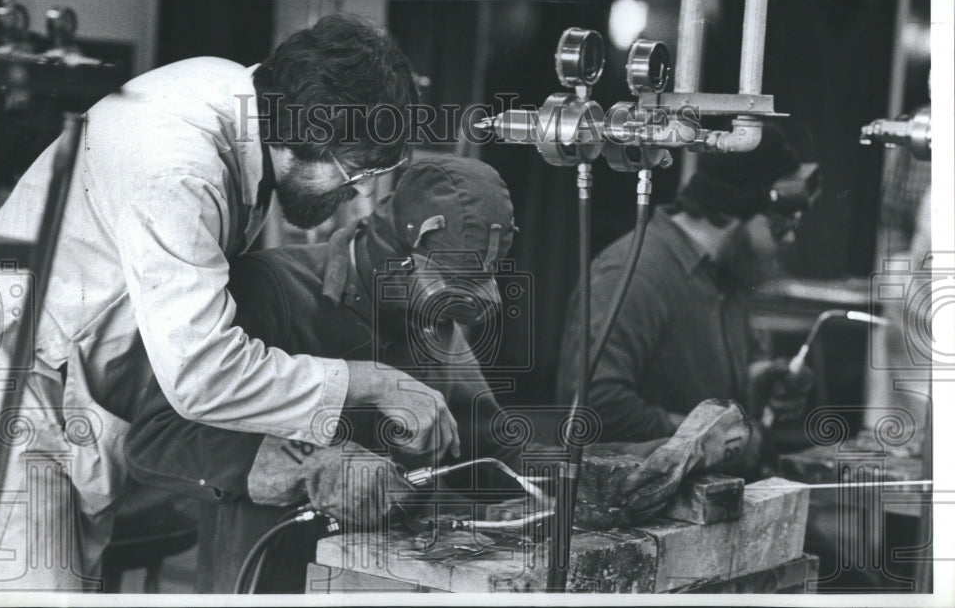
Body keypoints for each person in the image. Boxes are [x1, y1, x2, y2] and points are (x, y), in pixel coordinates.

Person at [0, 14, 459, 591]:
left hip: (62, 389)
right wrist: (371, 381)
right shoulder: (179, 168)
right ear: (314, 133)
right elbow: (202, 370)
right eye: (357, 171)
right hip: (10, 394)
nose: (358, 192)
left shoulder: (233, 96)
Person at [124, 155, 521, 592]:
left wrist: (566, 479)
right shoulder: (273, 286)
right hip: (267, 578)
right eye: (443, 287)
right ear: (404, 250)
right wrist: (314, 467)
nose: (442, 315)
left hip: (382, 581)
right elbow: (157, 438)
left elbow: (488, 446)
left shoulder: (431, 320)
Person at [556, 123, 821, 445]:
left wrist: (761, 378)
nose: (789, 238)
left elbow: (714, 376)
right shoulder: (635, 275)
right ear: (731, 211)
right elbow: (594, 407)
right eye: (779, 226)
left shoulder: (726, 274)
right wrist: (715, 438)